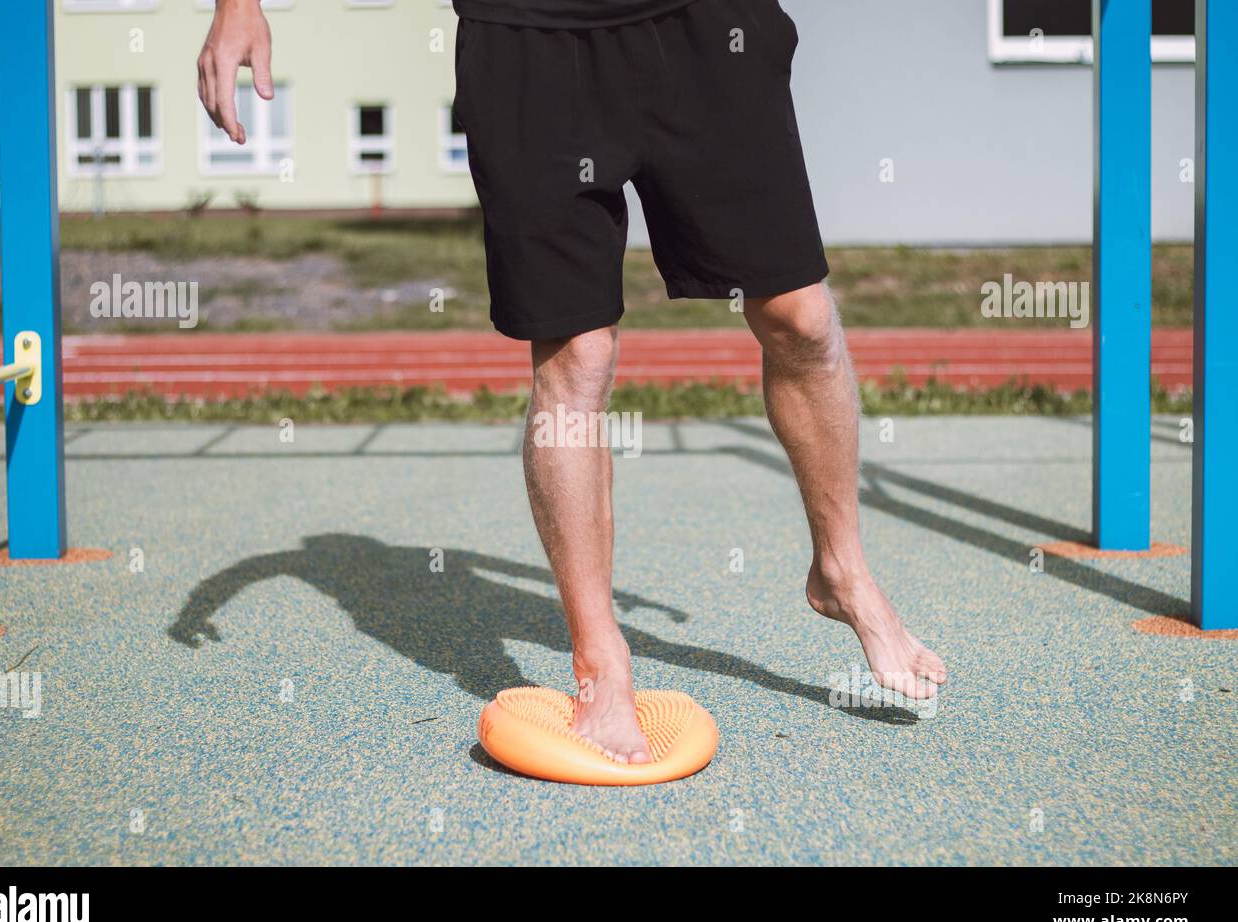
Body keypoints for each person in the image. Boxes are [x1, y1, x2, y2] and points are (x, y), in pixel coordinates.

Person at [196, 0, 947, 765]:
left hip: (700, 22)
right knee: (577, 358)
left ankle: (841, 571)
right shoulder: (318, 559)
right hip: (529, 39)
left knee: (801, 318)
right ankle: (601, 660)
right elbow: (268, 566)